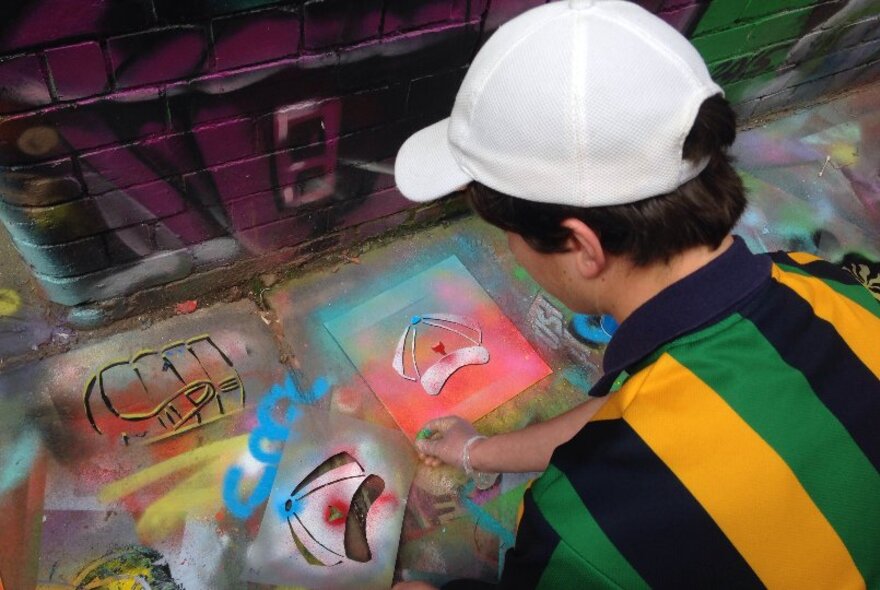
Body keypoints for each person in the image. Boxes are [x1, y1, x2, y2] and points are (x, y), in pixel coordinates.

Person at [391, 0, 880, 588]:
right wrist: (479, 452)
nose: (511, 256)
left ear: (582, 247)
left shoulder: (585, 532)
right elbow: (651, 407)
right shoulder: (830, 292)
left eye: (509, 237)